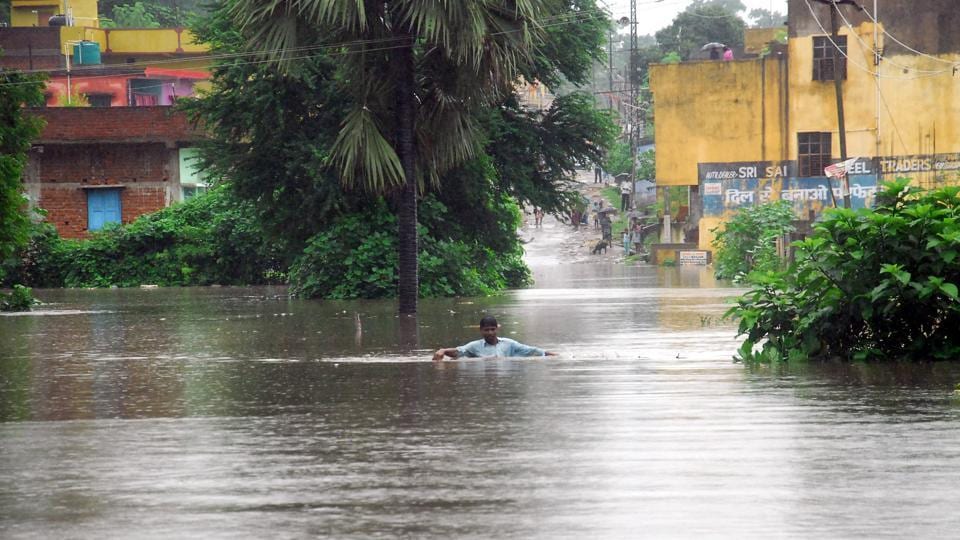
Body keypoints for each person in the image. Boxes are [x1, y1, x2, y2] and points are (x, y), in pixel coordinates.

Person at [433, 315, 557, 361]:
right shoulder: (475, 346)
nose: (490, 332)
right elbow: (458, 351)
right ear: (481, 331)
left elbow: (531, 350)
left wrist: (553, 355)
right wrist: (443, 351)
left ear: (497, 329)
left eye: (493, 329)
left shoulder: (509, 344)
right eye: (486, 330)